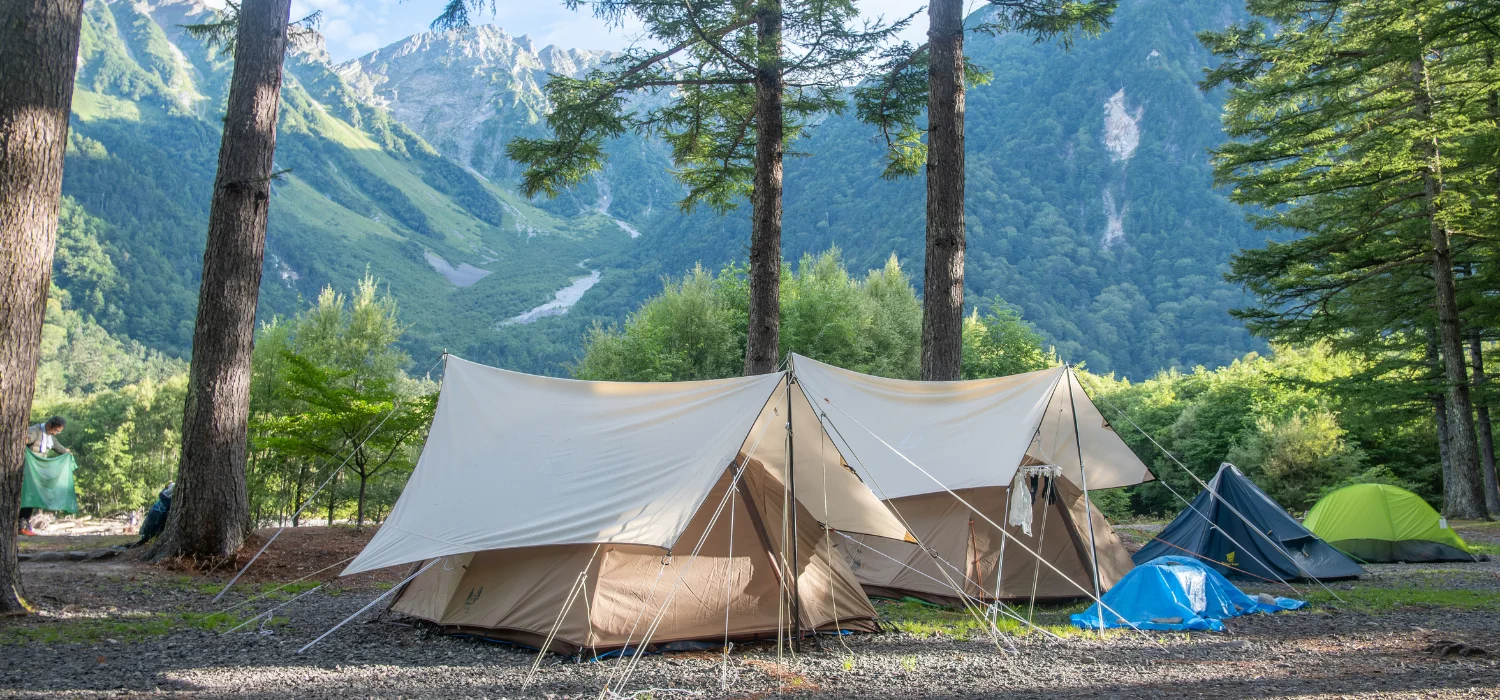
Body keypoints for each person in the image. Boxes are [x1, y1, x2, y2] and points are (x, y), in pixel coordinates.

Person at [20, 416, 68, 536]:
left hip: (38, 473)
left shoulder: (50, 437)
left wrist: (67, 452)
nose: (56, 434)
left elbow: (58, 447)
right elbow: (25, 439)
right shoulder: (35, 431)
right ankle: (21, 525)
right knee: (27, 497)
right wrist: (25, 439)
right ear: (48, 426)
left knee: (32, 497)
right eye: (56, 430)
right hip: (27, 471)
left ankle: (24, 524)